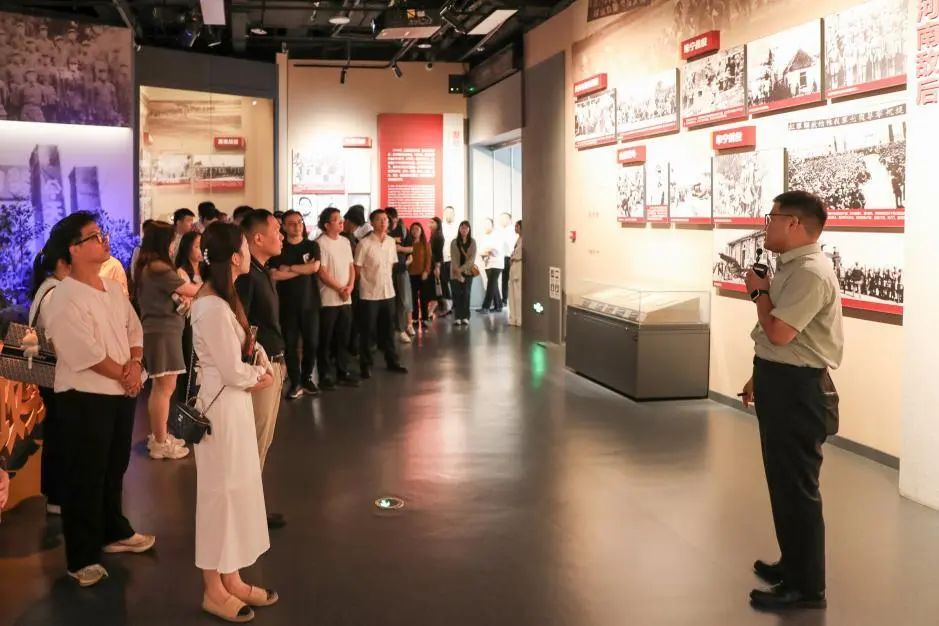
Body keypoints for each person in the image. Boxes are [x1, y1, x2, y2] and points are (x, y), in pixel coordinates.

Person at [741, 191, 843, 611]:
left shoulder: (811, 274)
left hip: (798, 393)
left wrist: (757, 294)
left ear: (795, 224)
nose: (767, 225)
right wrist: (758, 376)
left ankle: (807, 588)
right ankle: (793, 564)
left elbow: (780, 332)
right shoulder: (792, 267)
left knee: (797, 489)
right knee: (783, 484)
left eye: (773, 217)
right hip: (781, 381)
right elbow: (782, 340)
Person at [44, 212, 154, 588]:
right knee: (85, 475)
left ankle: (113, 531)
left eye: (101, 234)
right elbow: (83, 352)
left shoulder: (112, 288)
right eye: (93, 236)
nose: (103, 240)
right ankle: (82, 556)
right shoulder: (63, 297)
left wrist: (135, 364)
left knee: (114, 467)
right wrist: (126, 373)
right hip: (85, 397)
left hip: (120, 393)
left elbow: (133, 329)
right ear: (73, 249)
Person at [191, 222, 278, 623]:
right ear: (234, 257)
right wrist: (258, 375)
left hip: (233, 407)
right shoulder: (210, 306)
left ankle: (233, 578)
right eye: (243, 245)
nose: (247, 252)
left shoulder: (223, 299)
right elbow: (230, 370)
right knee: (218, 497)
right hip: (220, 411)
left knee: (236, 491)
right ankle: (213, 588)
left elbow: (243, 347)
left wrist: (258, 361)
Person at [236, 210, 287, 530]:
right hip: (260, 369)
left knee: (263, 441)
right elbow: (243, 327)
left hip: (272, 364)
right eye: (277, 230)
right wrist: (258, 366)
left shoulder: (260, 272)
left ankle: (251, 507)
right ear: (257, 238)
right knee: (254, 441)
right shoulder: (248, 277)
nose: (281, 236)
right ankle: (246, 512)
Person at [134, 222, 202, 461]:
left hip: (161, 331)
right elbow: (190, 290)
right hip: (163, 332)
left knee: (161, 387)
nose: (174, 246)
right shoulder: (158, 267)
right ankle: (160, 442)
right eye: (172, 241)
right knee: (165, 388)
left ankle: (159, 436)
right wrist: (212, 285)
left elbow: (179, 295)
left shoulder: (150, 266)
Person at [28, 231, 72, 515]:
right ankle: (58, 497)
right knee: (60, 435)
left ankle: (55, 496)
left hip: (48, 373)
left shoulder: (46, 287)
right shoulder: (55, 292)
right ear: (63, 263)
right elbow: (60, 339)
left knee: (56, 433)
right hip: (55, 373)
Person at [271, 210, 322, 399]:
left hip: (310, 303)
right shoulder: (280, 248)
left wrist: (290, 268)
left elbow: (314, 267)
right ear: (284, 227)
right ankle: (295, 381)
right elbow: (275, 274)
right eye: (292, 223)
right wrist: (302, 270)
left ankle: (307, 377)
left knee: (312, 343)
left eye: (299, 222)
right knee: (290, 345)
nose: (297, 226)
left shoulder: (311, 245)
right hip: (287, 304)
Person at [355, 209, 409, 379]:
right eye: (379, 219)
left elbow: (391, 265)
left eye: (385, 219)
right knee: (367, 331)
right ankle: (366, 364)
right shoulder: (364, 244)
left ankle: (392, 361)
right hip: (369, 293)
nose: (384, 222)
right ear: (372, 223)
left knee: (388, 330)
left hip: (388, 292)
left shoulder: (391, 242)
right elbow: (357, 269)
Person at [317, 208, 359, 390]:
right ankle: (325, 374)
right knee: (326, 339)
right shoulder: (321, 243)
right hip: (328, 299)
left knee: (343, 337)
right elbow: (322, 272)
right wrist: (340, 288)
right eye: (336, 219)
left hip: (346, 297)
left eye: (340, 218)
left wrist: (350, 286)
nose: (341, 221)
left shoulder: (345, 241)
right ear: (327, 225)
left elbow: (351, 267)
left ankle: (343, 371)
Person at [174, 230, 203, 404]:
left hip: (206, 322)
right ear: (187, 248)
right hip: (191, 322)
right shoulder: (181, 272)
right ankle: (187, 405)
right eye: (197, 246)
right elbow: (187, 296)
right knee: (192, 366)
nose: (201, 250)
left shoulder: (206, 270)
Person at [386, 208, 413, 343]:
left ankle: (401, 329)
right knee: (387, 301)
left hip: (401, 269)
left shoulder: (403, 230)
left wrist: (400, 248)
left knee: (403, 300)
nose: (388, 221)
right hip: (386, 271)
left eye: (391, 218)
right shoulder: (382, 231)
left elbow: (411, 248)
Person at [450, 221, 477, 326]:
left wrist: (461, 269)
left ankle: (465, 317)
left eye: (466, 228)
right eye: (462, 227)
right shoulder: (454, 242)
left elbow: (471, 259)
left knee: (466, 294)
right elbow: (453, 258)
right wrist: (458, 272)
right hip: (455, 272)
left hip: (468, 272)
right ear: (459, 229)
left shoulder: (472, 242)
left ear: (469, 229)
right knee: (457, 295)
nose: (464, 229)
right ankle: (457, 317)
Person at [407, 221, 433, 329]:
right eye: (413, 229)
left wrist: (426, 271)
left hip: (423, 274)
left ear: (421, 231)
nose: (415, 231)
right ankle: (414, 318)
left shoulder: (425, 244)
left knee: (424, 298)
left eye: (417, 229)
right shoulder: (408, 244)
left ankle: (425, 318)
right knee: (413, 298)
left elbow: (428, 259)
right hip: (411, 274)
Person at [440, 206, 458, 316]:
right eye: (447, 212)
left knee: (454, 283)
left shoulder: (457, 227)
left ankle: (455, 305)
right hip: (443, 259)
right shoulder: (441, 227)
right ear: (444, 213)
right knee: (443, 282)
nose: (449, 215)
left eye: (451, 213)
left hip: (454, 260)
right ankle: (447, 305)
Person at [429, 217, 447, 319]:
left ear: (438, 224)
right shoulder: (434, 235)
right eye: (429, 222)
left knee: (437, 287)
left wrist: (437, 266)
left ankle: (439, 308)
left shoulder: (438, 236)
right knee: (436, 288)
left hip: (436, 264)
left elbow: (439, 253)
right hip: (433, 263)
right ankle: (437, 308)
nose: (430, 224)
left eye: (432, 222)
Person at [508, 220, 523, 327]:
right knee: (512, 294)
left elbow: (518, 254)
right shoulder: (518, 239)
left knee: (518, 295)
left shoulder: (524, 240)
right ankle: (513, 317)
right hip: (513, 267)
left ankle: (519, 318)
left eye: (517, 226)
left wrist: (513, 257)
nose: (515, 228)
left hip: (518, 267)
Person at [498, 212, 514, 310]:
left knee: (511, 279)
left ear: (509, 219)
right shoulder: (499, 231)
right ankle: (504, 300)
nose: (502, 221)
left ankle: (510, 300)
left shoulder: (513, 231)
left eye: (504, 218)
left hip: (510, 257)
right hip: (501, 257)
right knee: (504, 280)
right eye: (501, 219)